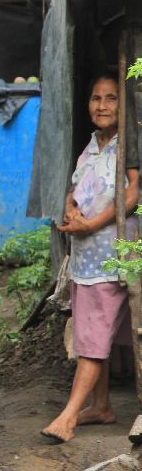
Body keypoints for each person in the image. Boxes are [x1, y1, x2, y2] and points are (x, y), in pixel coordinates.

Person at [42, 73, 139, 443]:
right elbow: (76, 185)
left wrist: (90, 225)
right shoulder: (94, 144)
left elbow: (131, 197)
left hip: (110, 254)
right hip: (85, 257)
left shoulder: (129, 145)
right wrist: (70, 209)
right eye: (96, 98)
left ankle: (68, 416)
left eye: (111, 98)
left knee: (94, 337)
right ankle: (100, 407)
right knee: (94, 332)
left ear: (123, 105)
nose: (102, 105)